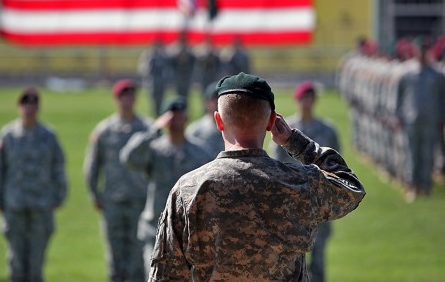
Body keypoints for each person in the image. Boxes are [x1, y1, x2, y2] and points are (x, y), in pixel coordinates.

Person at [148, 72, 365, 281]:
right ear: (271, 122)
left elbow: (166, 274)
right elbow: (350, 188)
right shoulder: (297, 182)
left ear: (218, 121)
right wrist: (296, 143)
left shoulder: (188, 189)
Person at [119, 95, 212, 277]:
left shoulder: (200, 152)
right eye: (172, 115)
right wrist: (154, 128)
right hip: (156, 227)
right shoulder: (154, 149)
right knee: (156, 276)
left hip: (190, 231)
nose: (176, 119)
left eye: (180, 114)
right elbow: (128, 158)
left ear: (187, 118)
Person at [0, 87, 68, 282]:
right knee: (16, 263)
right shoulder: (7, 135)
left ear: (38, 108)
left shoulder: (48, 136)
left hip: (41, 207)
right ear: (19, 107)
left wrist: (59, 197)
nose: (29, 108)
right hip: (14, 207)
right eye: (25, 104)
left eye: (33, 104)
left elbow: (58, 168)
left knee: (36, 265)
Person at [269, 81, 340, 282]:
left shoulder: (328, 129)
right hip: (293, 201)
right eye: (303, 98)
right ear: (297, 100)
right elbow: (275, 164)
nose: (306, 102)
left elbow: (336, 163)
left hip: (318, 202)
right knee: (293, 261)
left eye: (310, 98)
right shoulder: (285, 130)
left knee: (318, 260)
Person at [83, 79, 152, 282]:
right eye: (124, 96)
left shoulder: (147, 128)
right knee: (115, 257)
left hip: (140, 201)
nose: (128, 100)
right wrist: (94, 193)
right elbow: (93, 165)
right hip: (112, 202)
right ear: (116, 99)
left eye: (131, 95)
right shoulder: (104, 130)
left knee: (139, 256)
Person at [395, 42, 445, 201]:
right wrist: (399, 115)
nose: (422, 55)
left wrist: (441, 117)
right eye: (420, 51)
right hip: (412, 120)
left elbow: (442, 98)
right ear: (415, 52)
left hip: (431, 120)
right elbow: (399, 96)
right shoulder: (408, 73)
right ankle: (413, 185)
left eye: (425, 51)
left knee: (428, 154)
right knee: (412, 154)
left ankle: (426, 185)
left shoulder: (437, 75)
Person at [186, 81, 223, 158]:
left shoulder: (234, 128)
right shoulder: (195, 131)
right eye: (214, 99)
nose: (217, 102)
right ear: (206, 103)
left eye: (220, 98)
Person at [138, 39, 171, 116]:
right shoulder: (149, 55)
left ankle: (160, 112)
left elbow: (167, 67)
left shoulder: (163, 55)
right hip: (153, 80)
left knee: (161, 98)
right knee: (153, 99)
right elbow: (144, 68)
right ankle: (154, 113)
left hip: (161, 80)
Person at [169, 32, 196, 100]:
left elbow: (194, 59)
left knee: (186, 94)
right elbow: (171, 59)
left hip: (186, 74)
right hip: (178, 74)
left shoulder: (188, 47)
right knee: (178, 93)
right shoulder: (175, 47)